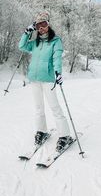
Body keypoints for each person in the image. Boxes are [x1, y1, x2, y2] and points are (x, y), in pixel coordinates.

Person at [18, 12, 73, 152]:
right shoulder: (35, 43)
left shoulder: (55, 41)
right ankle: (41, 131)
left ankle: (65, 135)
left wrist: (58, 72)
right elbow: (21, 46)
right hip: (34, 79)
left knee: (55, 108)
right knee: (38, 108)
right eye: (38, 25)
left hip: (48, 79)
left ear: (48, 24)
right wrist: (26, 32)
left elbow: (57, 58)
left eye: (44, 24)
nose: (41, 27)